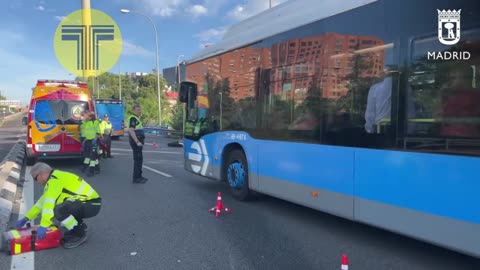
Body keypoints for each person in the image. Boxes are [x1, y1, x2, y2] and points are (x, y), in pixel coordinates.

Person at [14, 162, 101, 249]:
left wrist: (44, 225)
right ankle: (80, 226)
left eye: (35, 178)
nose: (37, 182)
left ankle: (79, 234)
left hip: (91, 203)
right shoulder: (55, 178)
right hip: (89, 203)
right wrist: (26, 218)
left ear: (41, 174)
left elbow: (48, 206)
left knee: (59, 210)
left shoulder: (54, 181)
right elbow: (41, 203)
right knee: (64, 207)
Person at [129, 105, 148, 184]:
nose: (139, 111)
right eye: (137, 110)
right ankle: (136, 178)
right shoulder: (133, 118)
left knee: (140, 160)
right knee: (137, 160)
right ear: (133, 111)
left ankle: (139, 176)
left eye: (140, 110)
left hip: (139, 143)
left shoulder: (136, 118)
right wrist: (137, 141)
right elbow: (131, 130)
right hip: (136, 143)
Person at [81, 112, 101, 176]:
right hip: (88, 141)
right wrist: (85, 140)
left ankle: (91, 171)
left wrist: (94, 140)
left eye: (88, 116)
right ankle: (97, 169)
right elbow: (86, 133)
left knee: (92, 157)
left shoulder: (95, 122)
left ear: (91, 117)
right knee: (90, 155)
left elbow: (98, 133)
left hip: (93, 141)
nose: (86, 117)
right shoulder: (87, 122)